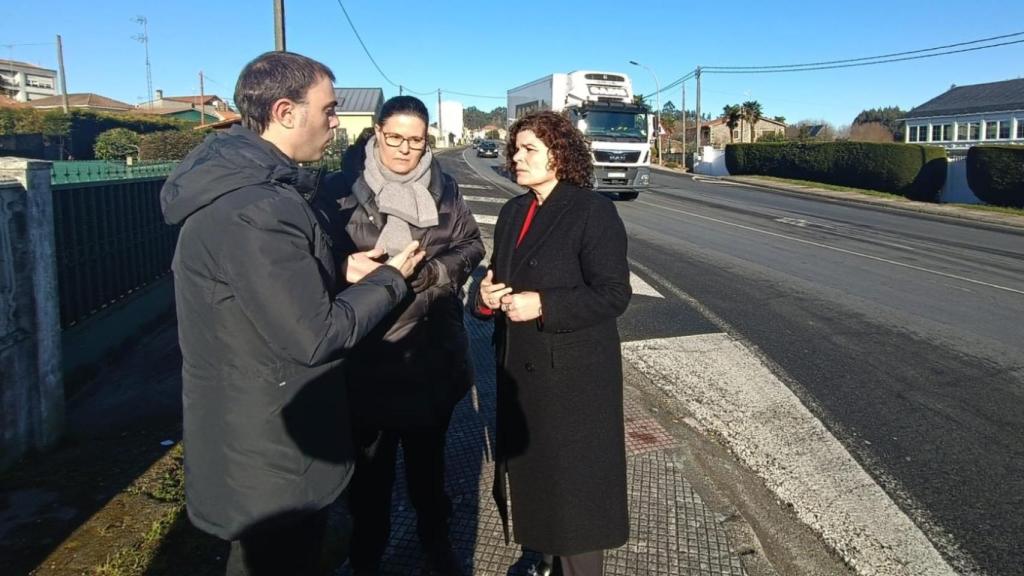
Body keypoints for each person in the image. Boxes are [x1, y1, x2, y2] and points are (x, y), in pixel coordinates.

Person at [160, 51, 424, 576]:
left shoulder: (253, 189)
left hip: (260, 438)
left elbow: (265, 290)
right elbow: (315, 334)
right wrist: (393, 279)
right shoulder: (256, 207)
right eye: (328, 110)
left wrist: (338, 267)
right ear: (285, 112)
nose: (334, 123)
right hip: (270, 454)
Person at [317, 95, 484, 576]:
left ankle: (436, 546)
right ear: (376, 132)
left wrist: (432, 274)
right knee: (369, 483)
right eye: (395, 138)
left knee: (429, 474)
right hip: (365, 357)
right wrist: (348, 271)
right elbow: (312, 261)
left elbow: (472, 245)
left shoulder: (445, 188)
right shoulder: (339, 190)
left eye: (416, 140)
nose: (406, 150)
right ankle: (366, 557)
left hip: (430, 356)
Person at [474, 111, 632, 576]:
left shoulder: (592, 211)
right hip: (520, 372)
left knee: (575, 494)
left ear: (559, 156)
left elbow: (613, 294)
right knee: (536, 481)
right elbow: (498, 281)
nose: (517, 159)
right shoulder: (513, 211)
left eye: (529, 150)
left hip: (575, 382)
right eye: (515, 149)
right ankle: (542, 558)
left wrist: (544, 304)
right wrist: (485, 299)